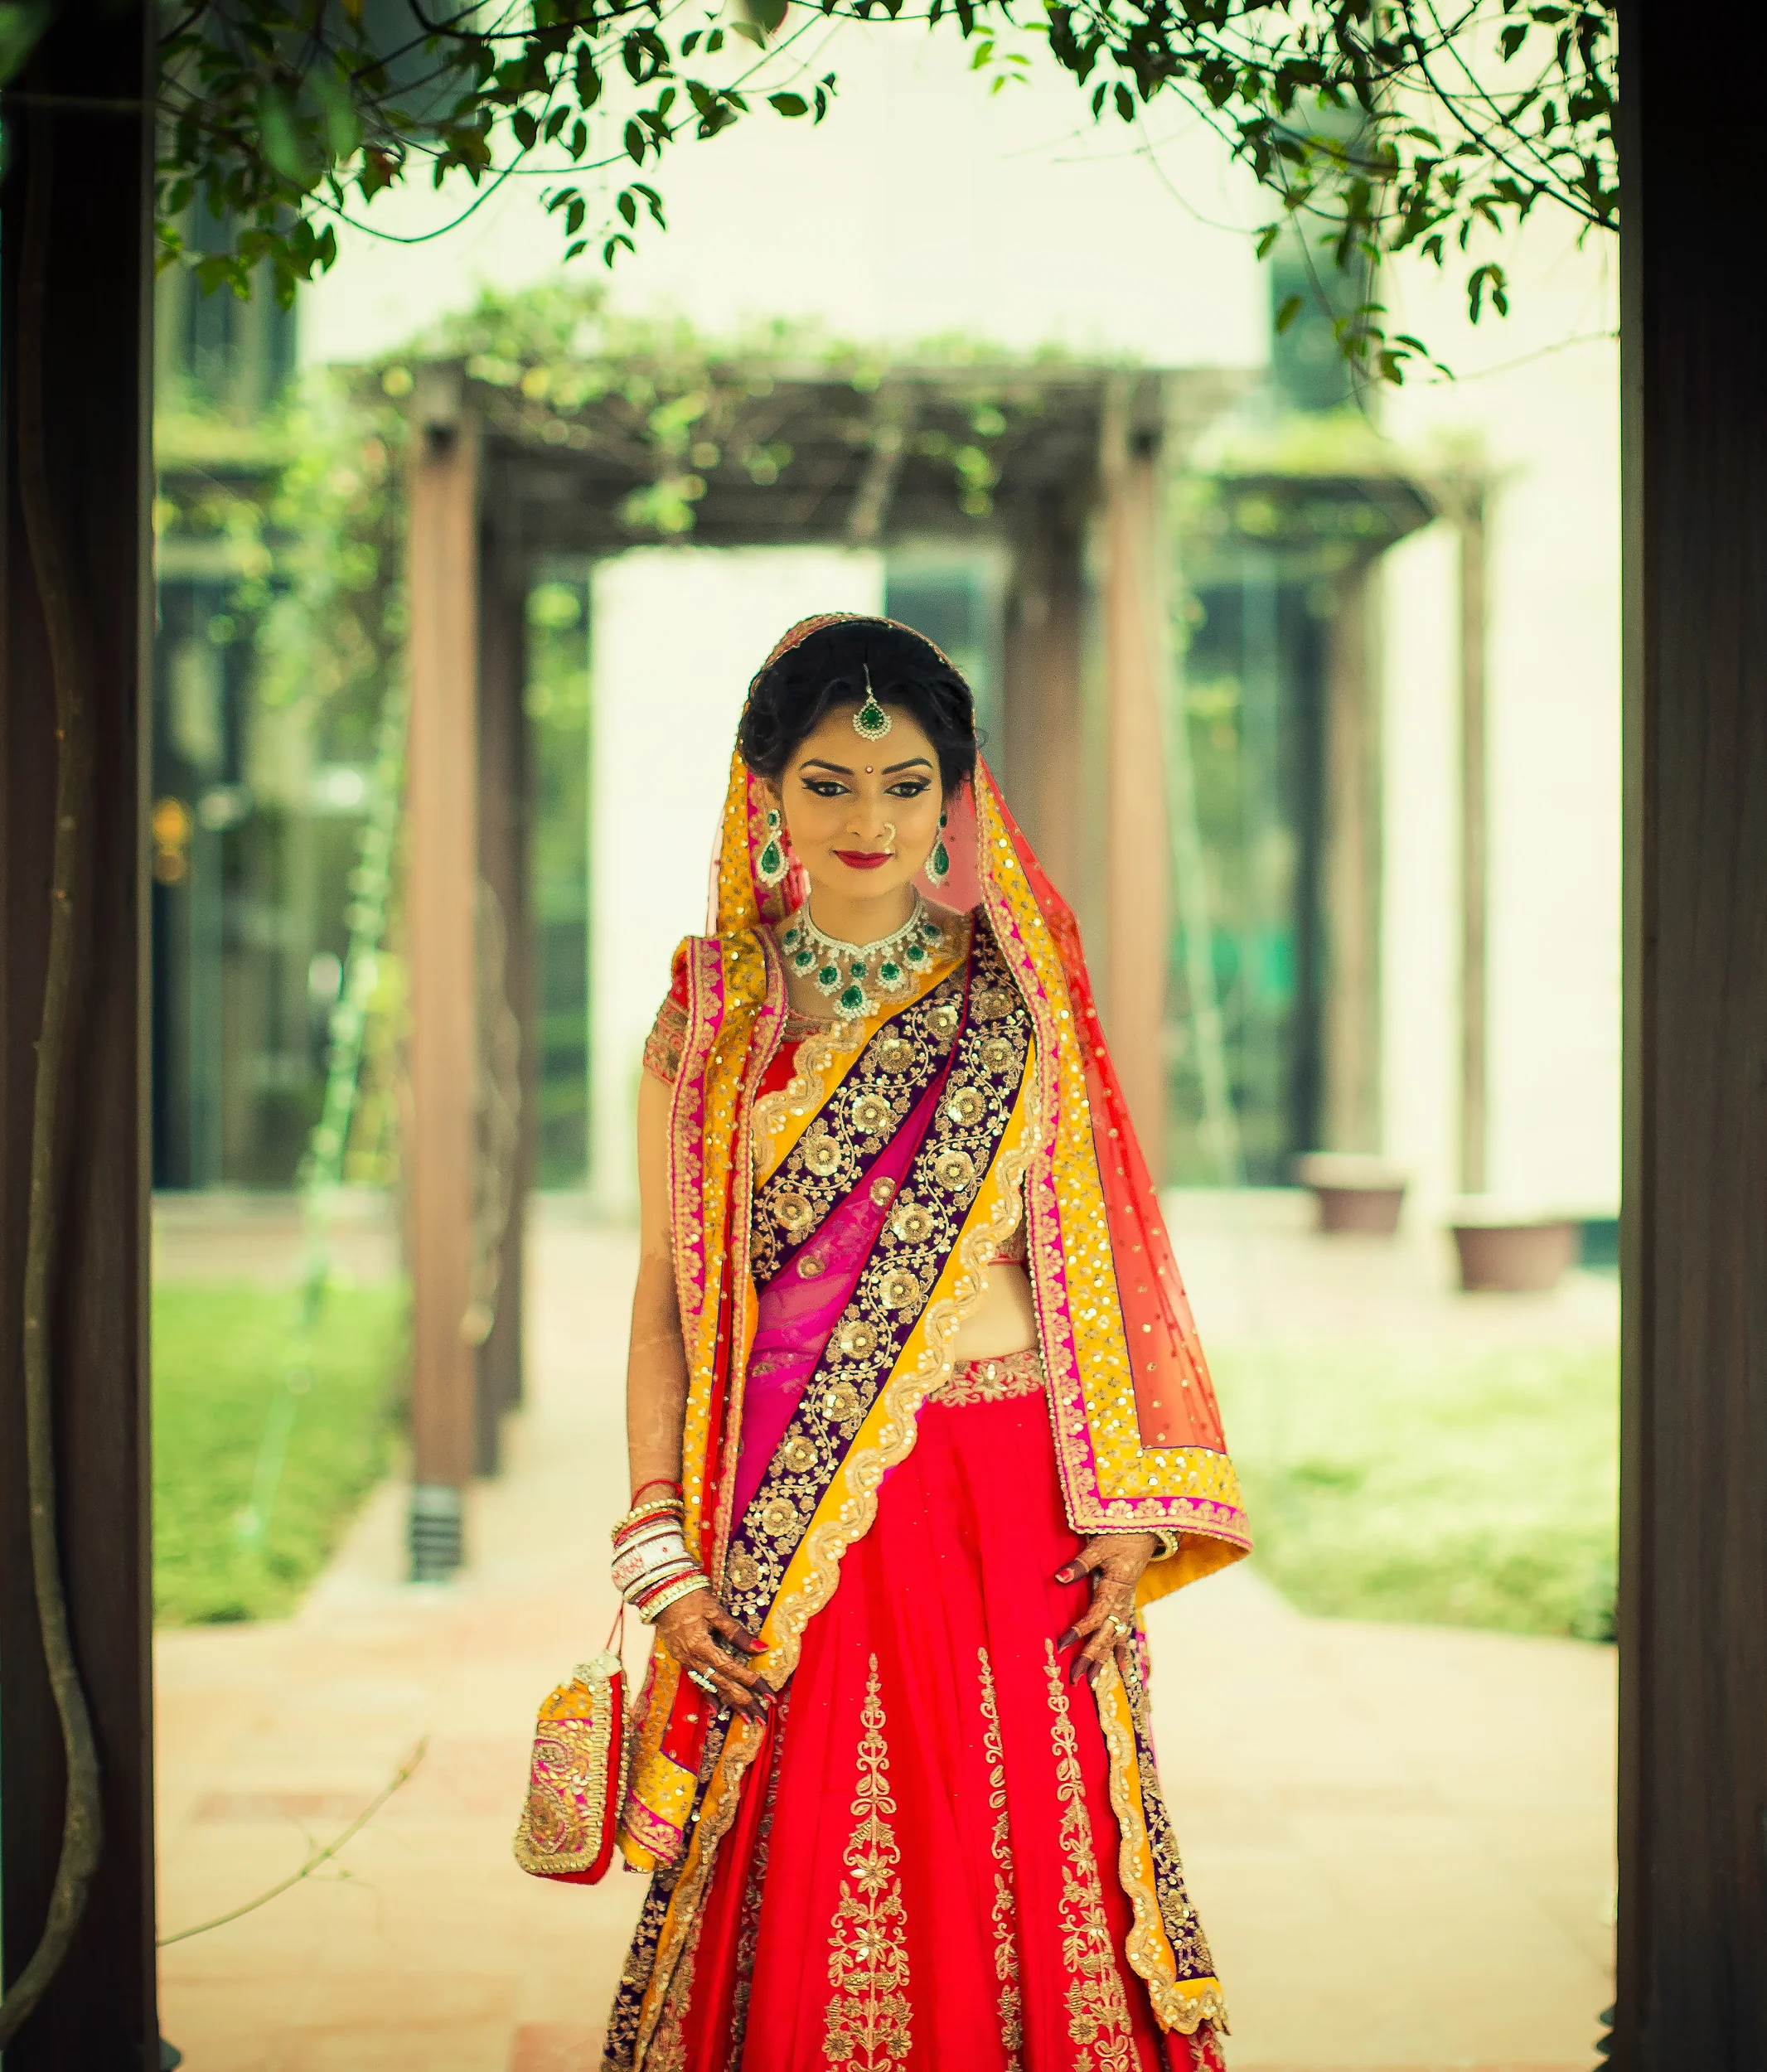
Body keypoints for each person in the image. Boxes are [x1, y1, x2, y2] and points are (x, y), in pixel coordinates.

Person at [603, 615, 1249, 2072]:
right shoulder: (708, 1017)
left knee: (1031, 1855)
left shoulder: (1016, 999)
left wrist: (1135, 1516)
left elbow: (1107, 1260)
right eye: (829, 782)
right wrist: (657, 1543)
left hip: (1011, 1498)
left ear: (957, 799)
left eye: (907, 787)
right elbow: (660, 1288)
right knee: (810, 1841)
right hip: (794, 1515)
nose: (869, 821)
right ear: (764, 792)